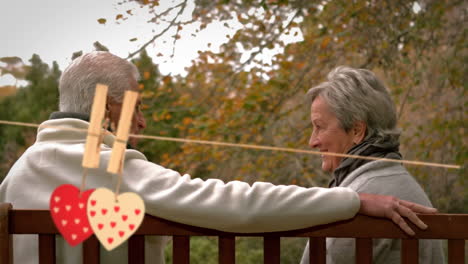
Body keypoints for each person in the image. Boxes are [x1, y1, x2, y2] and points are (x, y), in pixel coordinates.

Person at [0, 52, 436, 264]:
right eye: (136, 105)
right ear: (108, 106)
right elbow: (230, 204)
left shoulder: (19, 172)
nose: (143, 123)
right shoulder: (104, 163)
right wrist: (353, 202)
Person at [300, 66, 444, 264]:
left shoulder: (366, 196)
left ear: (357, 131)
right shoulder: (390, 181)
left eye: (319, 127)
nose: (312, 141)